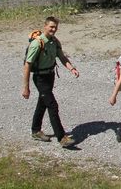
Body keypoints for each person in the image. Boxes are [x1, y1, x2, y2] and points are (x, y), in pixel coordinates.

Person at [21, 16, 80, 147]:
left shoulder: (54, 41)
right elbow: (27, 65)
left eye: (55, 27)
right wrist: (26, 87)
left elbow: (62, 57)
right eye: (51, 27)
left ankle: (35, 130)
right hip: (40, 78)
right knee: (52, 105)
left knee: (43, 102)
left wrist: (72, 69)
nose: (54, 29)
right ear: (45, 26)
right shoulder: (37, 44)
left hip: (50, 75)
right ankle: (62, 137)